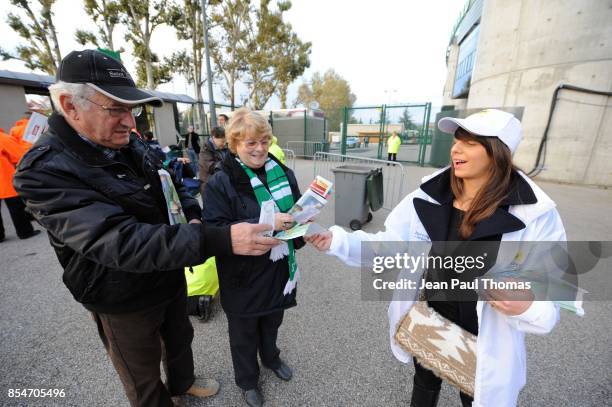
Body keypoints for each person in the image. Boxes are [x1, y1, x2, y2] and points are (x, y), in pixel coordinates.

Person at [13, 49, 279, 407]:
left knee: (179, 336)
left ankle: (183, 383)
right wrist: (219, 237)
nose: (129, 121)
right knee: (141, 369)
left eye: (131, 109)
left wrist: (192, 213)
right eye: (115, 109)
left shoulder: (127, 141)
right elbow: (120, 242)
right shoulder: (43, 170)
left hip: (167, 270)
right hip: (119, 291)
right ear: (70, 105)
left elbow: (168, 182)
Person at [306, 109, 566, 407]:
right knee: (424, 384)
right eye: (457, 140)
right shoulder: (431, 193)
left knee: (476, 396)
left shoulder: (537, 214)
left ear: (498, 152)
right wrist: (337, 241)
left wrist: (528, 305)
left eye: (470, 142)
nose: (456, 148)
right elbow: (390, 246)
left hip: (486, 334)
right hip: (430, 316)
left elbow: (552, 288)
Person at [202, 108, 304, 407]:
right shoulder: (221, 181)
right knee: (244, 332)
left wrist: (303, 222)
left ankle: (271, 358)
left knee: (273, 321)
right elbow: (215, 230)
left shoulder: (282, 172)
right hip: (242, 274)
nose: (260, 148)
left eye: (264, 140)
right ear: (234, 144)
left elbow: (296, 211)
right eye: (250, 143)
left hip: (278, 269)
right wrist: (269, 223)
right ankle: (247, 380)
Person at [0, 129, 40, 242]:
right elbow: (18, 155)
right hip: (4, 178)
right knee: (16, 207)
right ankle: (24, 232)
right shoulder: (2, 138)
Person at [198, 126, 228, 195]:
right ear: (213, 138)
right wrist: (228, 165)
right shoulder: (205, 149)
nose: (224, 144)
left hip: (222, 183)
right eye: (222, 141)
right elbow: (210, 167)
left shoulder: (225, 147)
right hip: (209, 185)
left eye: (225, 141)